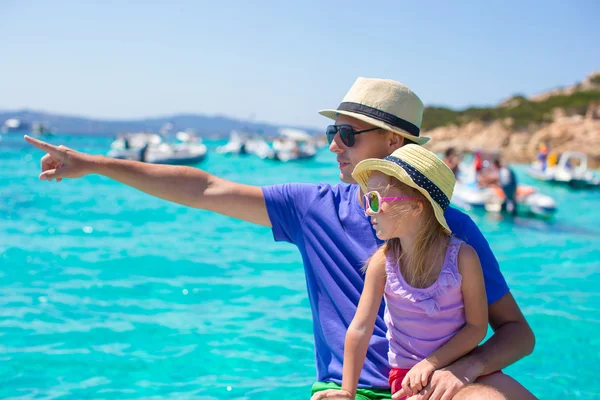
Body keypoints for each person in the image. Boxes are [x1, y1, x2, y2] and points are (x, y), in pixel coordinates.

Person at [24, 77, 536, 400]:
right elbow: (206, 186)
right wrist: (93, 164)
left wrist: (464, 369)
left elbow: (514, 331)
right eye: (332, 132)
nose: (333, 144)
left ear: (393, 144)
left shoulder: (454, 232)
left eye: (347, 134)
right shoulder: (313, 207)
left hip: (434, 383)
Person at [312, 145, 492, 400]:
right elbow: (360, 329)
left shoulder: (463, 258)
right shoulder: (383, 262)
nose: (367, 210)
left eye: (374, 200)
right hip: (409, 379)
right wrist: (347, 391)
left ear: (417, 207)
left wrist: (432, 363)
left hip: (458, 369)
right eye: (366, 199)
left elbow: (476, 327)